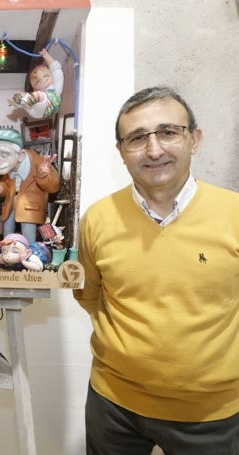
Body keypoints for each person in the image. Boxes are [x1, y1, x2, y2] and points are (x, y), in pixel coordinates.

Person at [74, 86, 239, 454]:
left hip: (212, 414)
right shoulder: (97, 219)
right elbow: (91, 296)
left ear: (194, 139)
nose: (154, 150)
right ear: (121, 151)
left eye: (168, 132)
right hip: (112, 405)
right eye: (136, 138)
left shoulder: (234, 213)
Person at [0, 128, 59, 241]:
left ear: (20, 155)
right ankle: (7, 253)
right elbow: (6, 183)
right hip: (10, 203)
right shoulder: (9, 166)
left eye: (4, 155)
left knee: (28, 234)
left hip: (30, 205)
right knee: (7, 232)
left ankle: (29, 255)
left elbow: (54, 187)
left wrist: (43, 176)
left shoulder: (38, 162)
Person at [8, 49, 64, 120]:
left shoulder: (55, 88)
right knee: (33, 98)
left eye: (46, 76)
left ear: (52, 76)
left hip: (51, 105)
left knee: (37, 96)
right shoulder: (42, 92)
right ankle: (20, 98)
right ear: (35, 88)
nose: (42, 80)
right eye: (37, 82)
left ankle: (20, 98)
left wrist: (47, 56)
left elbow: (57, 69)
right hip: (38, 112)